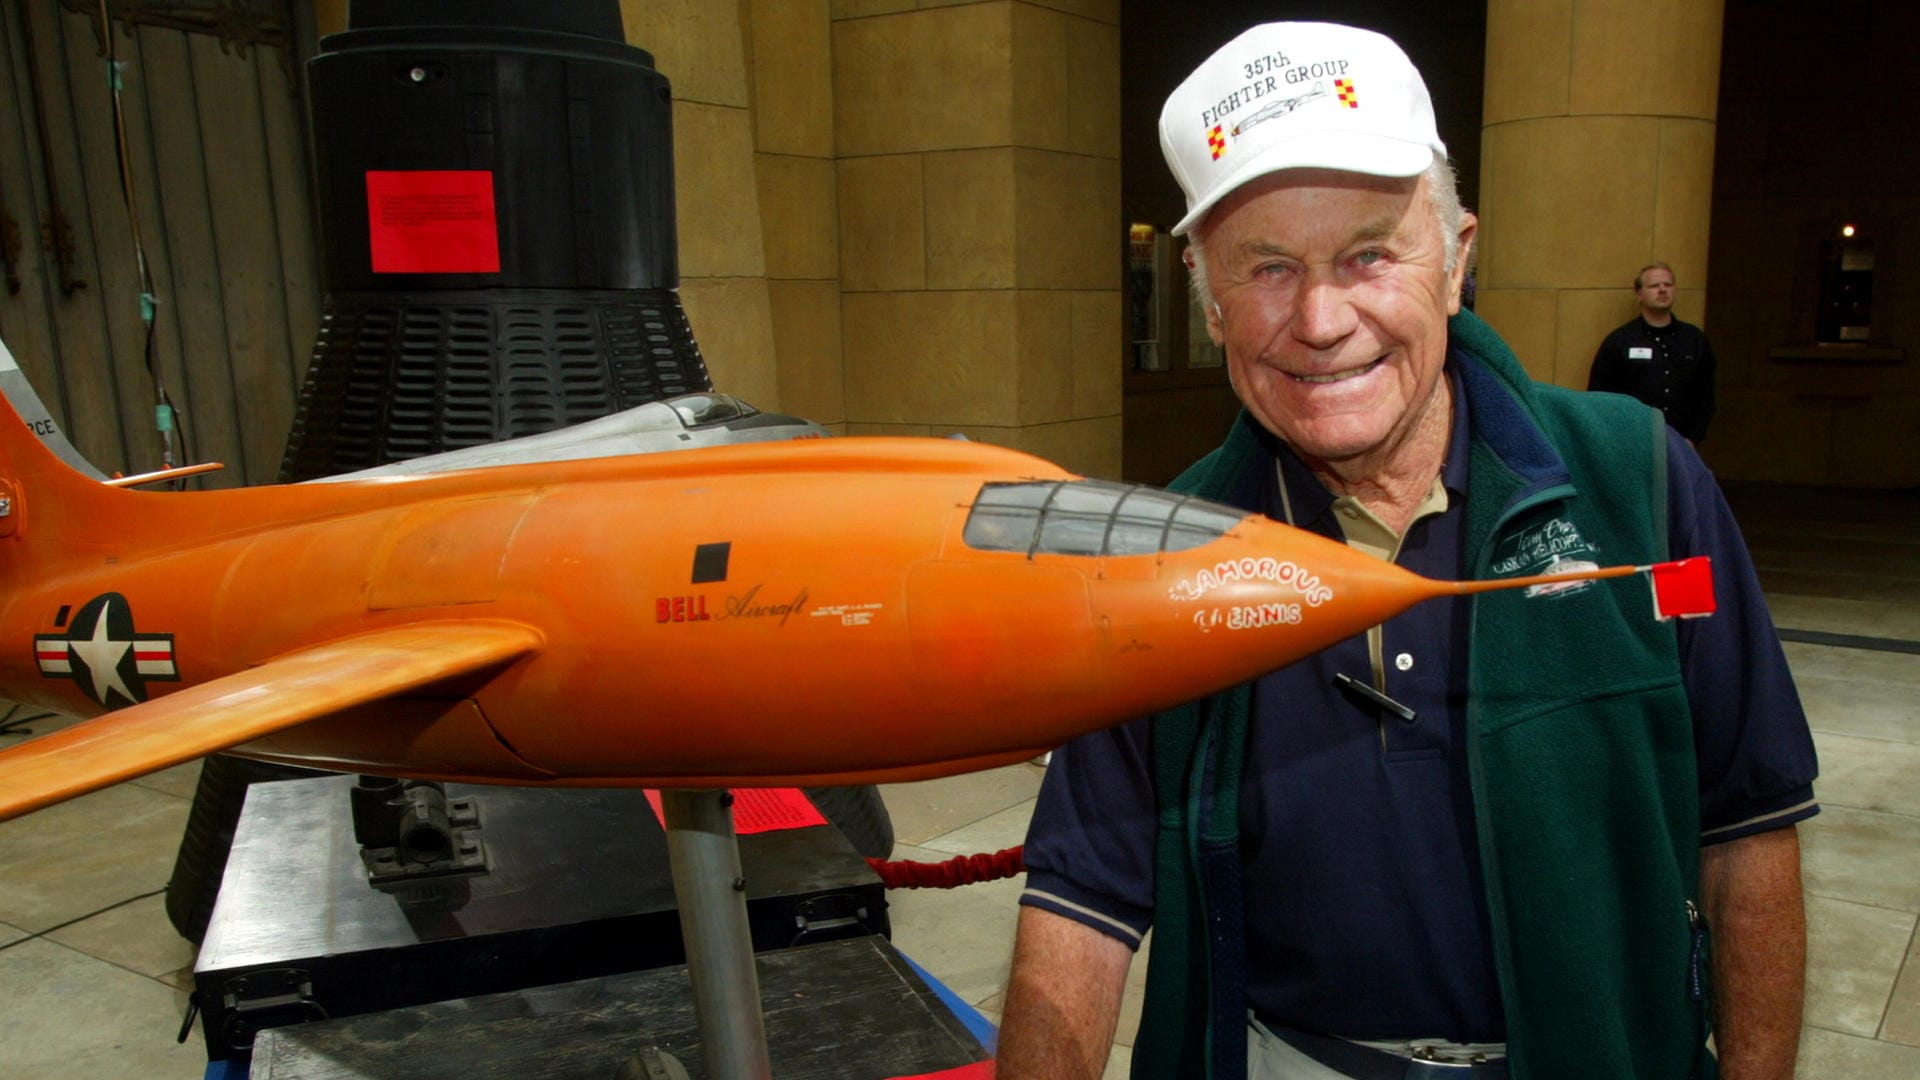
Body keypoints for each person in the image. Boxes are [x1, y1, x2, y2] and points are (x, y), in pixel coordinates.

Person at [996, 22, 1815, 1080]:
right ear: (1206, 296)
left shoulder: (1641, 483)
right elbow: (1080, 896)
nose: (1323, 319)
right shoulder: (1161, 556)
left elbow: (1748, 825)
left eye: (1369, 254)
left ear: (1458, 256)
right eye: (1268, 268)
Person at [1587, 263, 1717, 443]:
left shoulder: (1694, 340)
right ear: (1639, 294)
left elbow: (1706, 395)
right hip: (1633, 442)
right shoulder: (1620, 341)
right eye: (1654, 286)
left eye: (1668, 284)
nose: (1662, 290)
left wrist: (1693, 438)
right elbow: (1599, 396)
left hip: (1681, 442)